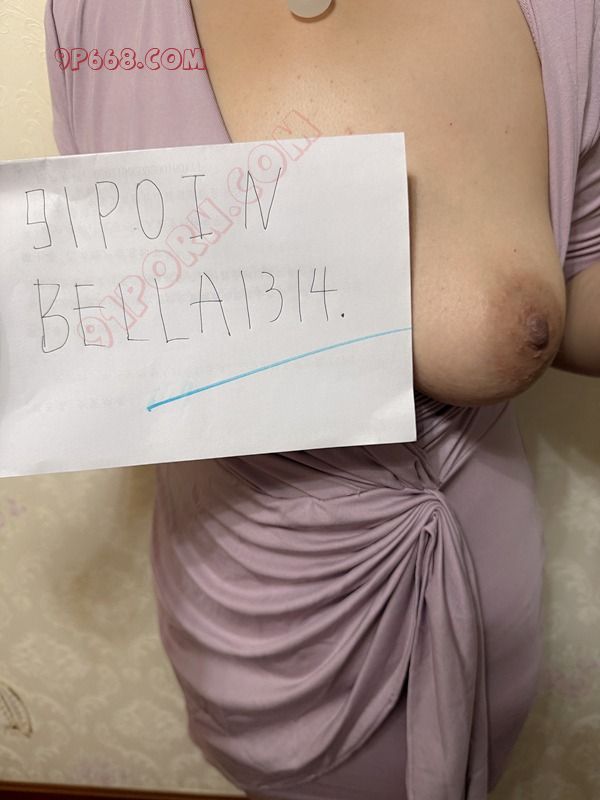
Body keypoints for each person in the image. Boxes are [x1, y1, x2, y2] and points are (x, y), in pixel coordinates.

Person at [44, 1, 600, 798]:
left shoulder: (567, 16)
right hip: (237, 618)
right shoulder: (93, 14)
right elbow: (99, 285)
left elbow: (577, 277)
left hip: (470, 602)